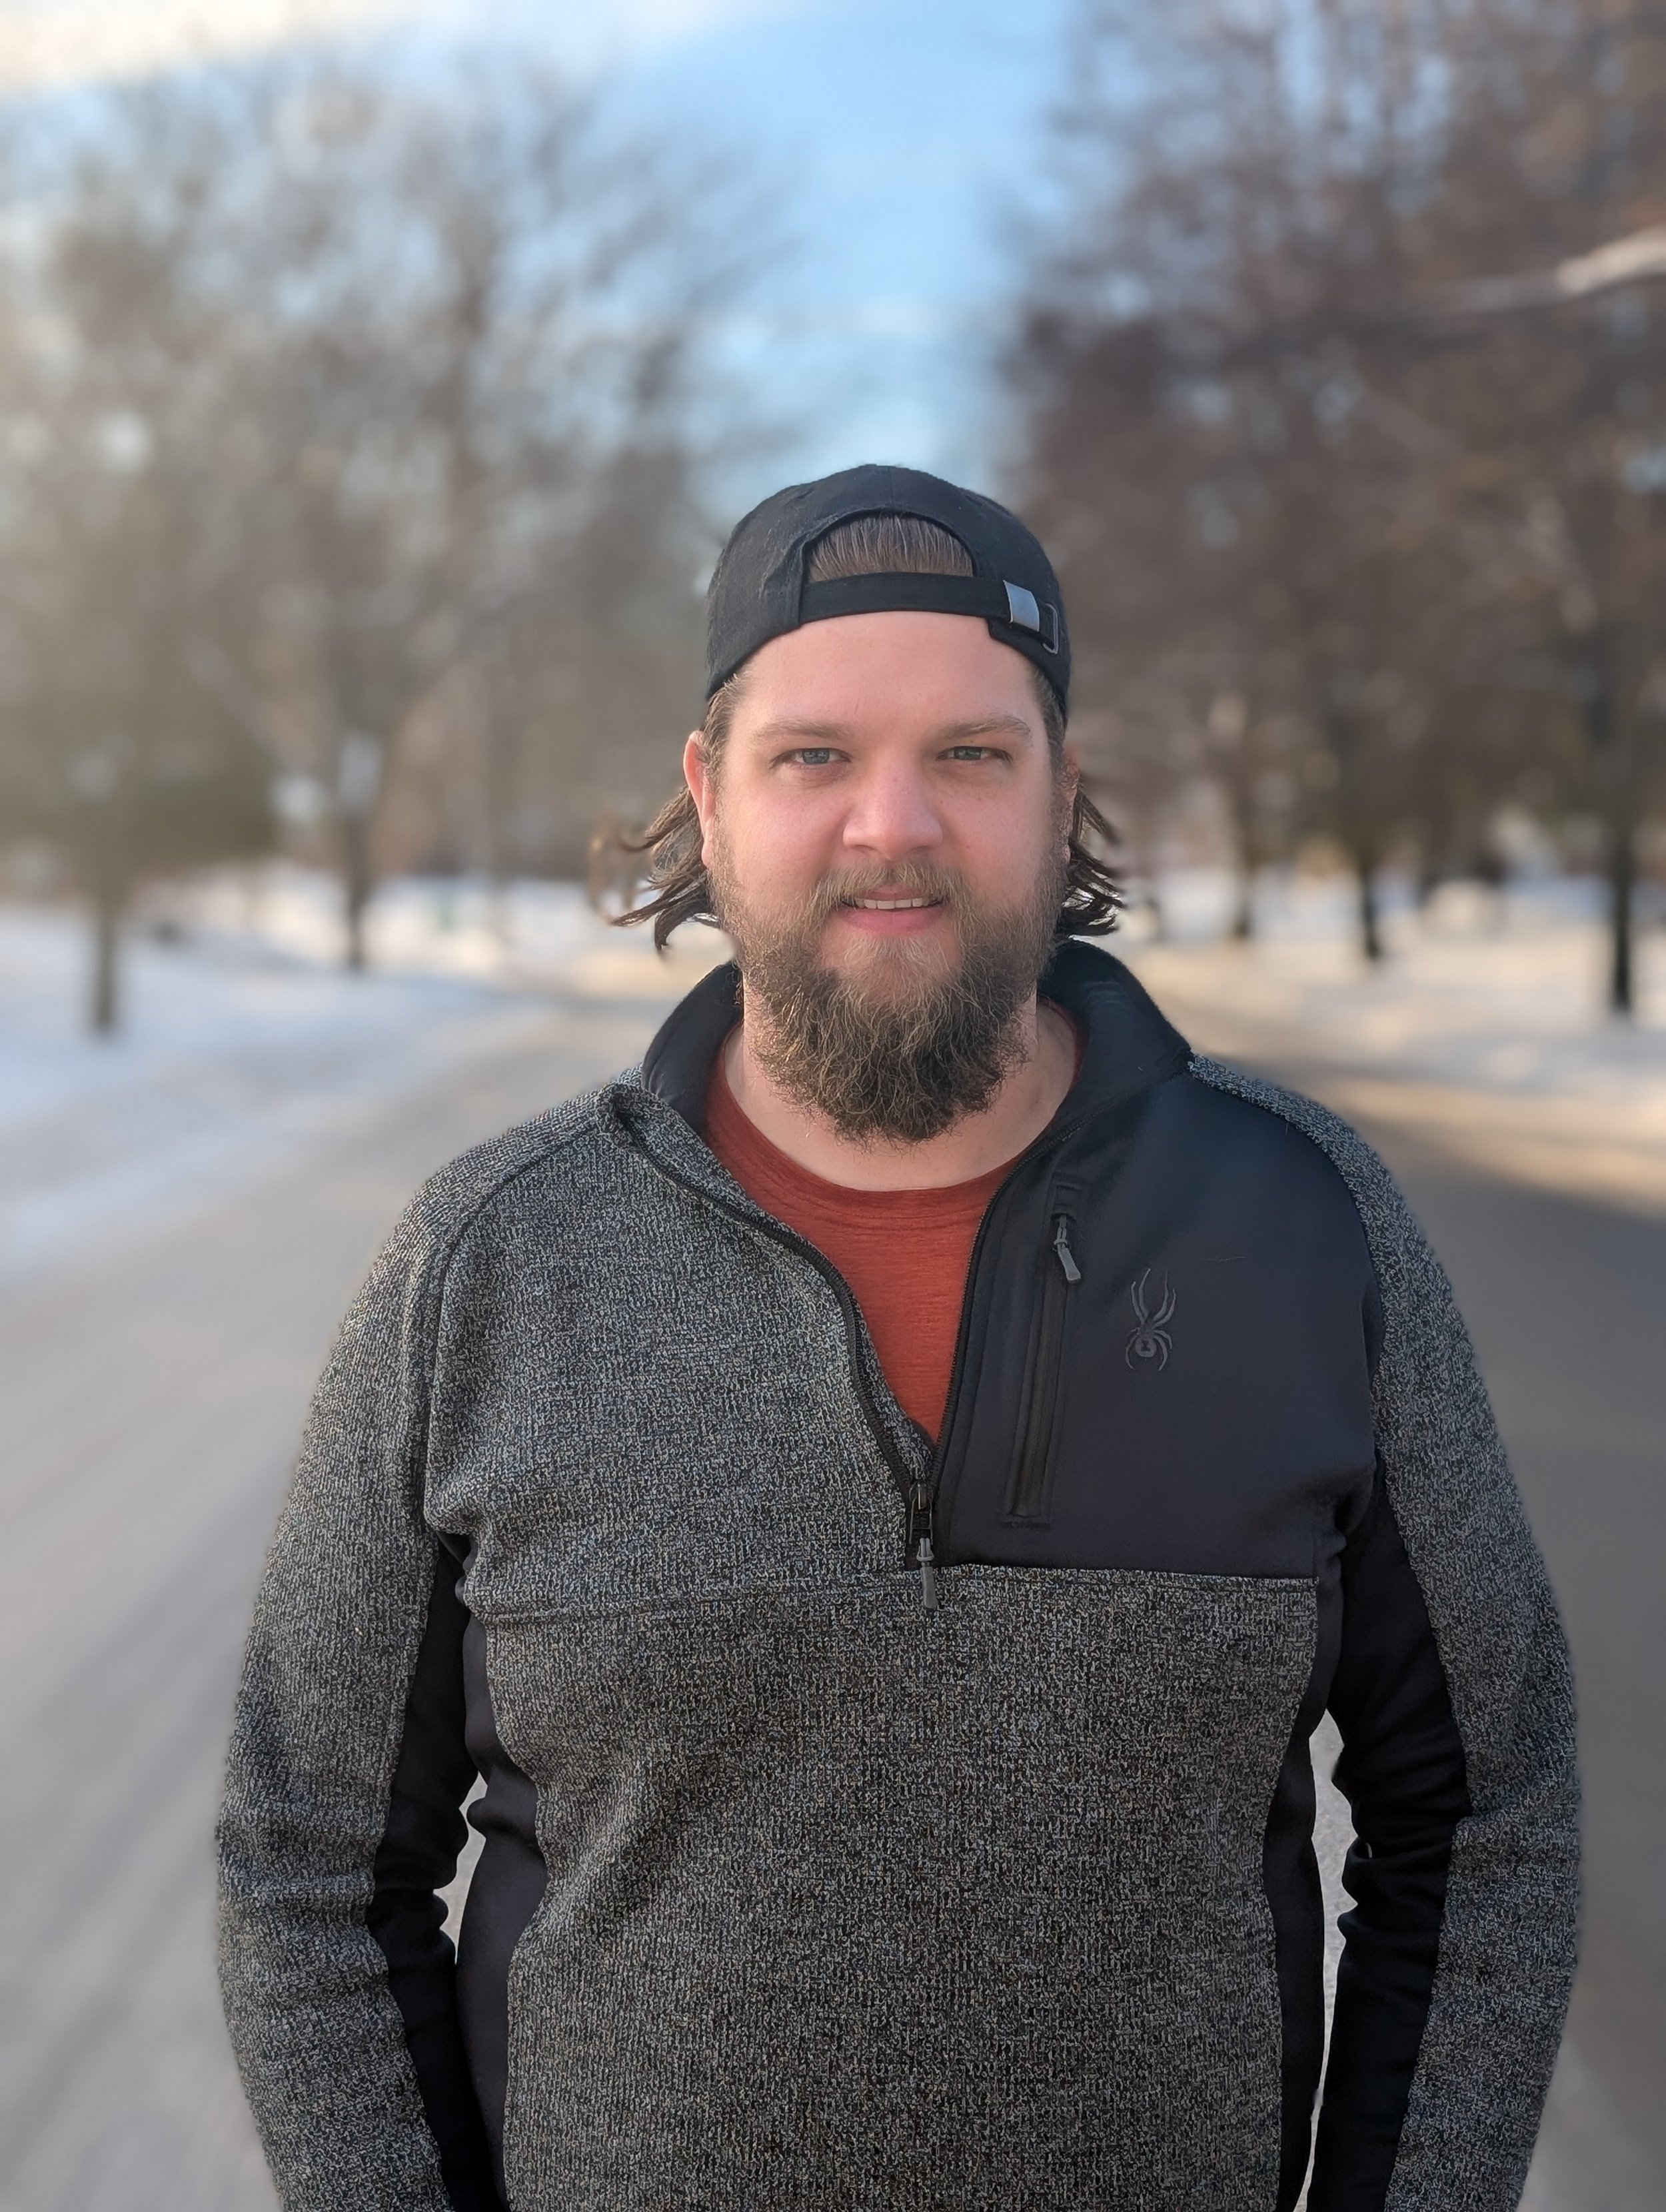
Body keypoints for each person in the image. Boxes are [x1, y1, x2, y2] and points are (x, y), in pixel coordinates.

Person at [217, 465, 1578, 2212]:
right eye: (814, 757)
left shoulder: (1305, 1227)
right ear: (706, 799)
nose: (892, 825)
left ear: (1060, 792)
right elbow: (311, 1870)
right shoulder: (489, 1264)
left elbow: (1483, 1824)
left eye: (968, 754)